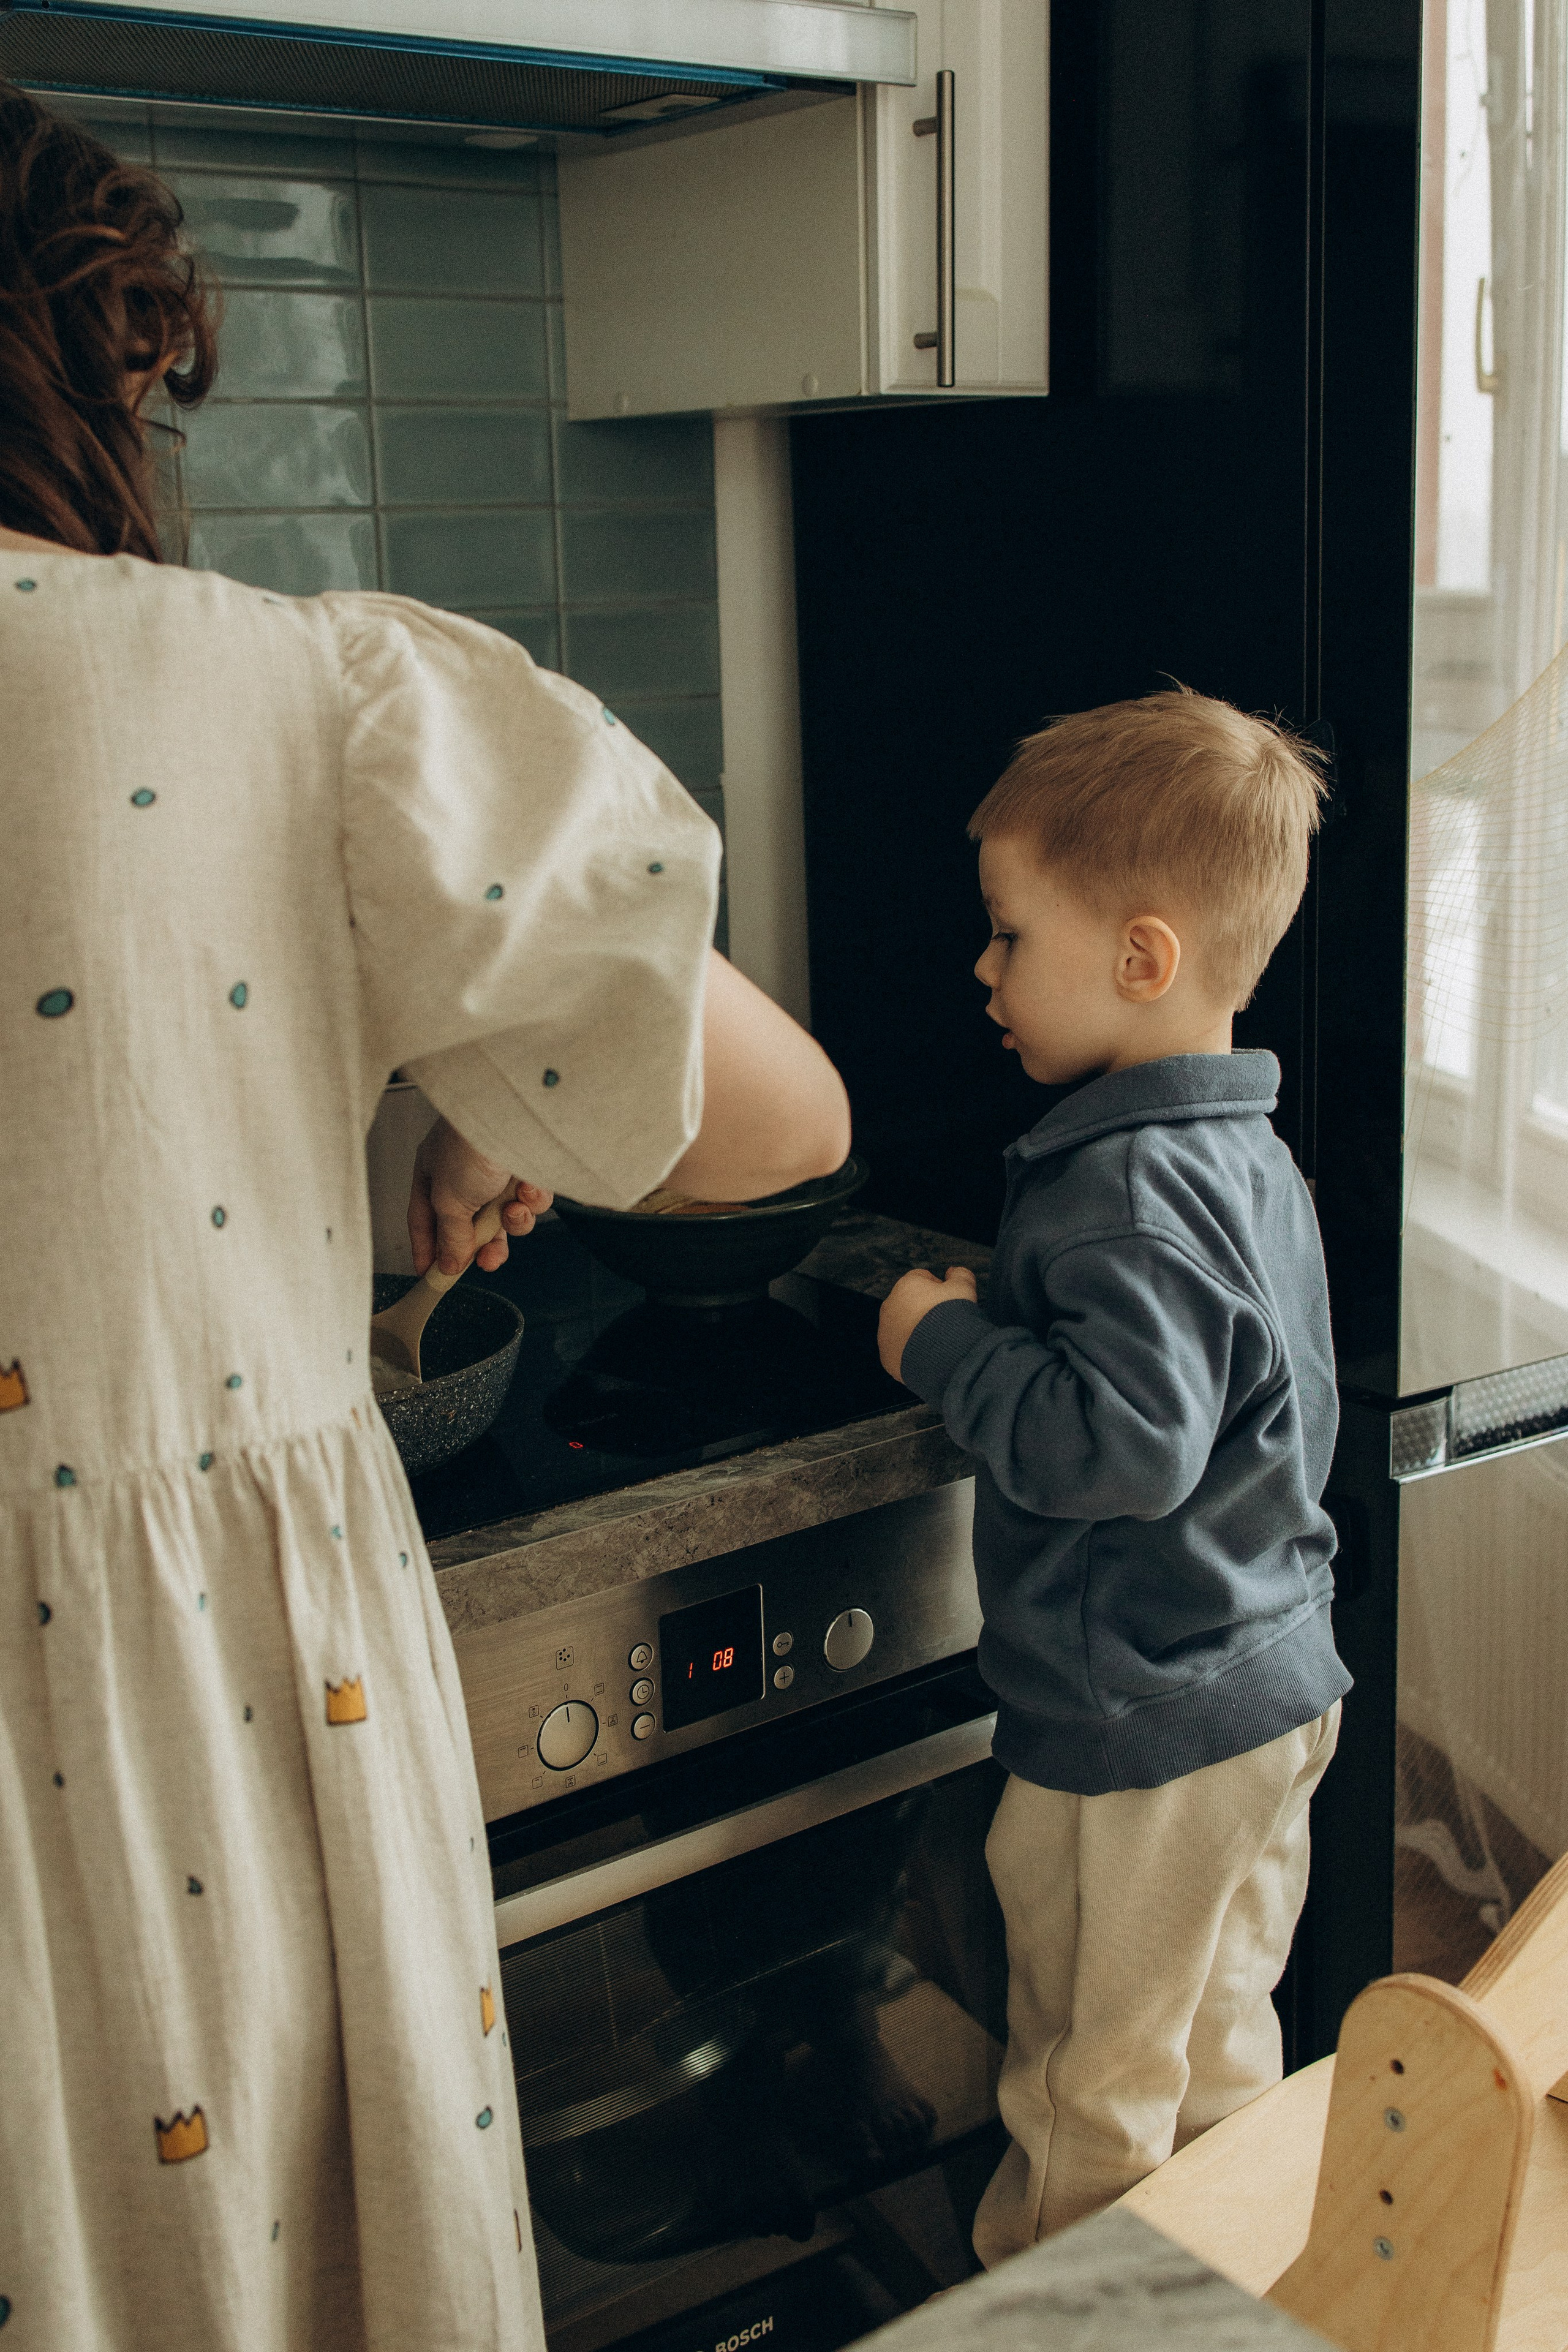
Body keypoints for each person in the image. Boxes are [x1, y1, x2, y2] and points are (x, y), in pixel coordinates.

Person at [0, 85, 849, 2352]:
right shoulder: (273, 686)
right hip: (178, 1755)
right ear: (105, 354)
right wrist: (516, 1095)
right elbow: (785, 1122)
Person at [875, 690, 1350, 2260]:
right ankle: (1222, 2292)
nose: (983, 968)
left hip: (1140, 1725)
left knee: (1088, 2081)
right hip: (1265, 1685)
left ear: (1141, 959)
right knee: (1213, 2052)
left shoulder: (1126, 1185)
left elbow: (1118, 1447)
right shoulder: (1242, 1154)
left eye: (1010, 935)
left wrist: (940, 1346)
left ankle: (1056, 2315)